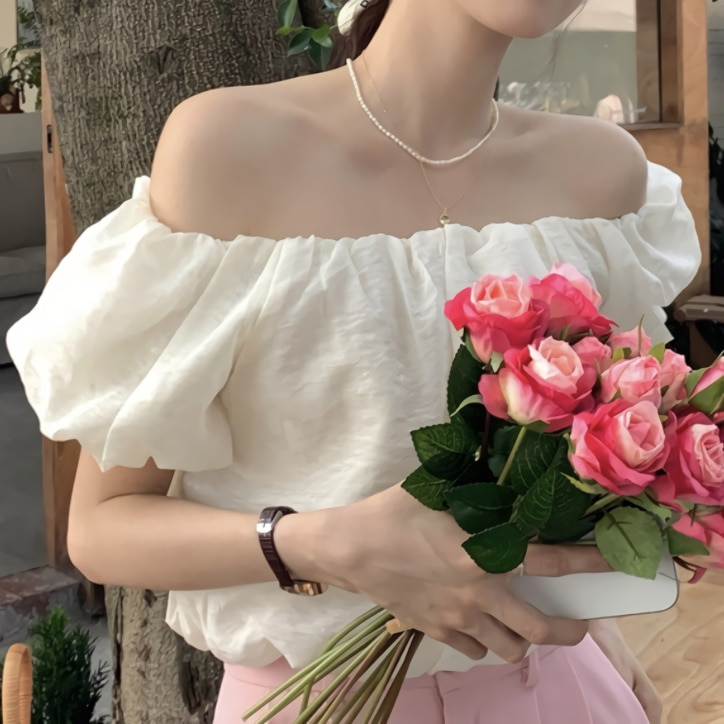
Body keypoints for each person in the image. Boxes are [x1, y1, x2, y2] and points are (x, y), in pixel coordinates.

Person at [6, 0, 701, 722]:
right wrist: (324, 544)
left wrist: (596, 627)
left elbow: (575, 473)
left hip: (561, 689)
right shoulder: (227, 148)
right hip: (316, 700)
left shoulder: (602, 176)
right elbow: (102, 527)